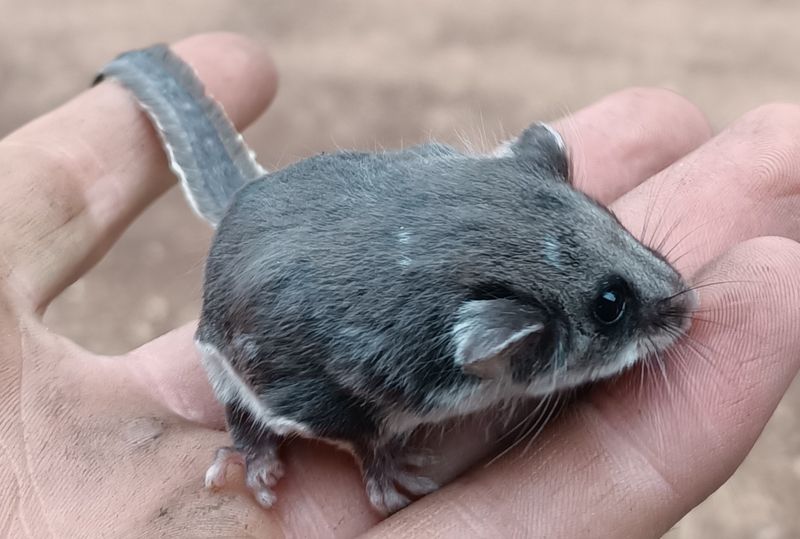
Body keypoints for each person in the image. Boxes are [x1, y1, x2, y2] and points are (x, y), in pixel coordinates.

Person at [2, 32, 799, 538]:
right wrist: (372, 463)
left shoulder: (493, 259)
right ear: (507, 344)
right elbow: (366, 379)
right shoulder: (448, 350)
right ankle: (252, 432)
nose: (672, 302)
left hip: (318, 218)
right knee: (308, 396)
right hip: (274, 298)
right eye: (611, 308)